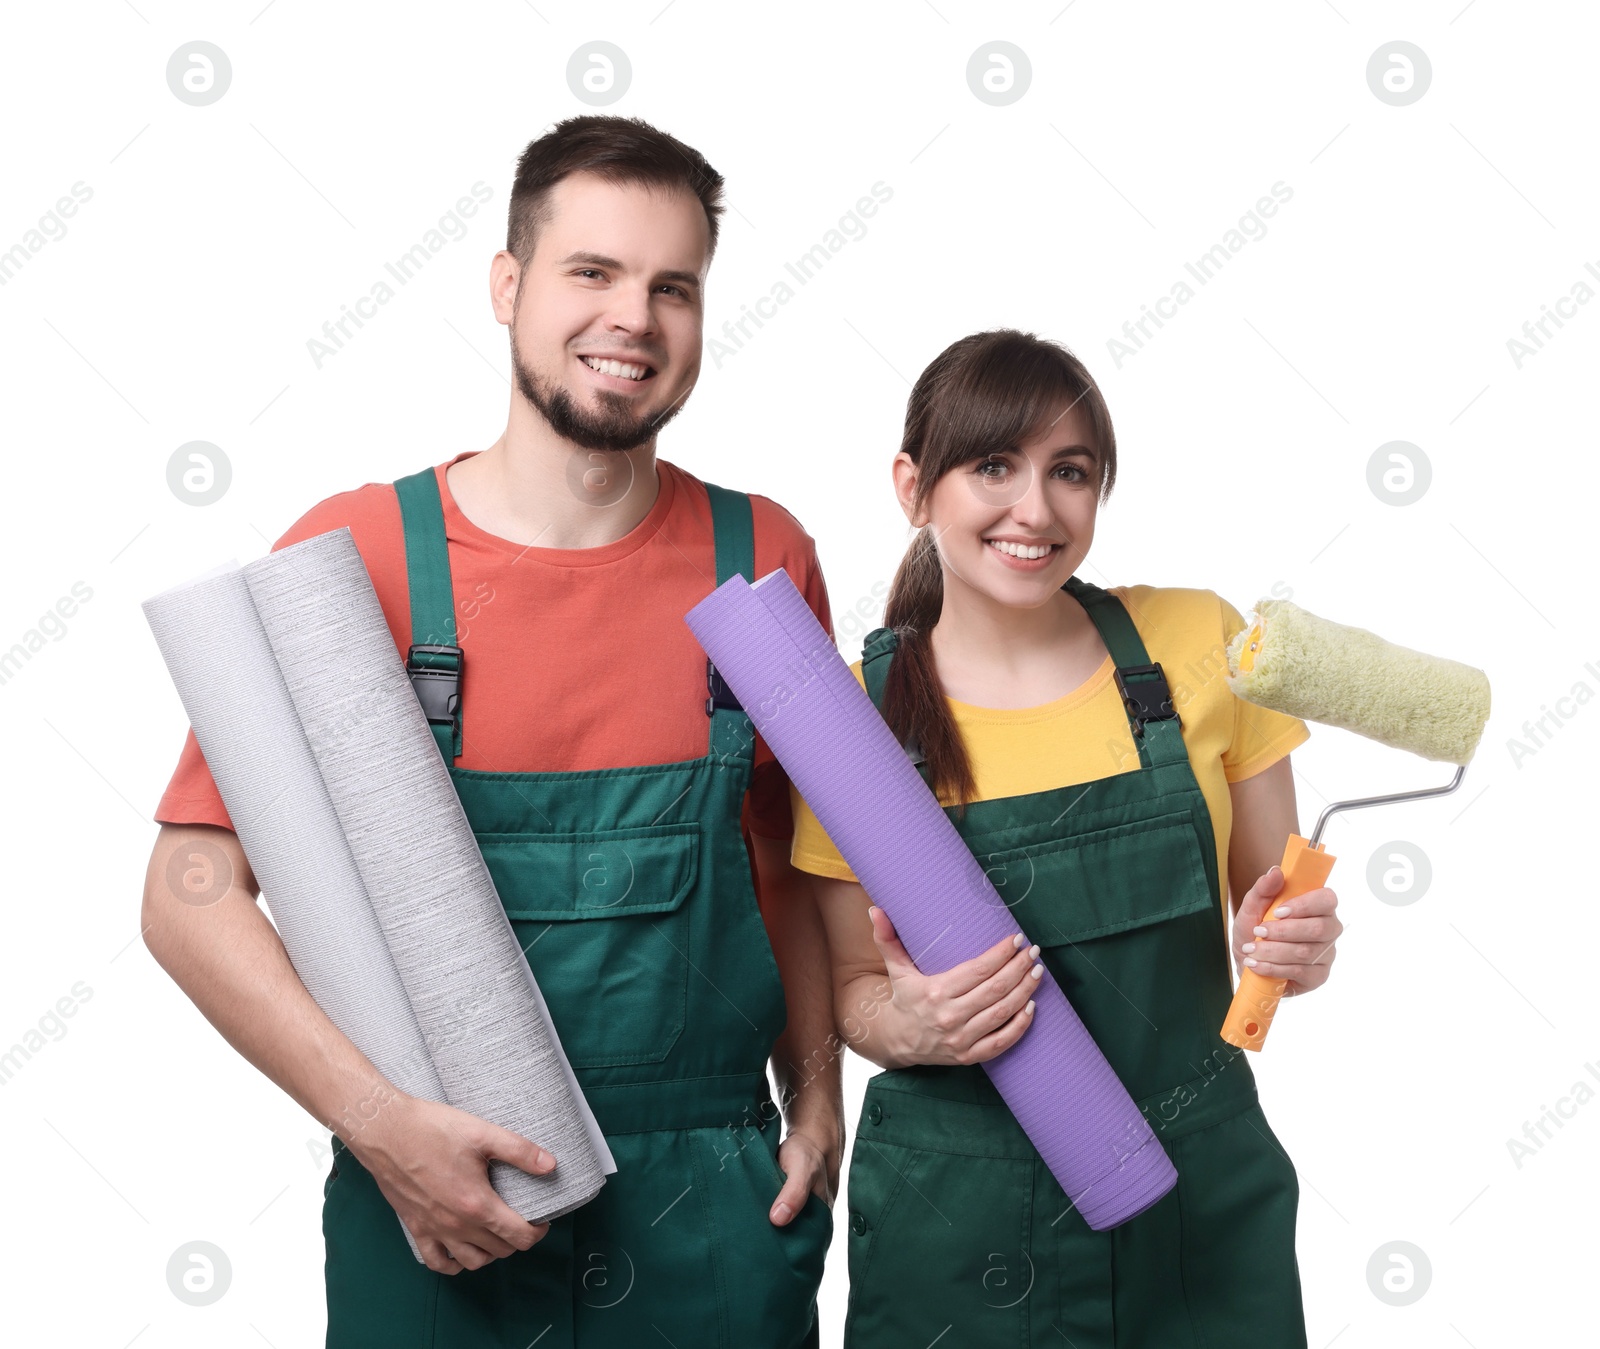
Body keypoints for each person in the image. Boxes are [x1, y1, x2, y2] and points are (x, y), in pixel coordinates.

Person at [141, 115, 843, 1348]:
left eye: (671, 286)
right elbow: (187, 896)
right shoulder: (355, 560)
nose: (634, 316)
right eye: (592, 272)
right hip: (435, 1198)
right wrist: (377, 1123)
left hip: (710, 1206)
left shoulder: (762, 562)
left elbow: (785, 865)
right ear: (508, 286)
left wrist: (823, 1093)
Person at [790, 329, 1344, 1347]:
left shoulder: (1198, 641)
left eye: (1070, 472)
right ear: (913, 486)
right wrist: (917, 1023)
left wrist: (1291, 947)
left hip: (1201, 1194)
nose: (1035, 510)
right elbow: (850, 993)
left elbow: (1266, 914)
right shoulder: (845, 722)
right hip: (956, 1217)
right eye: (992, 465)